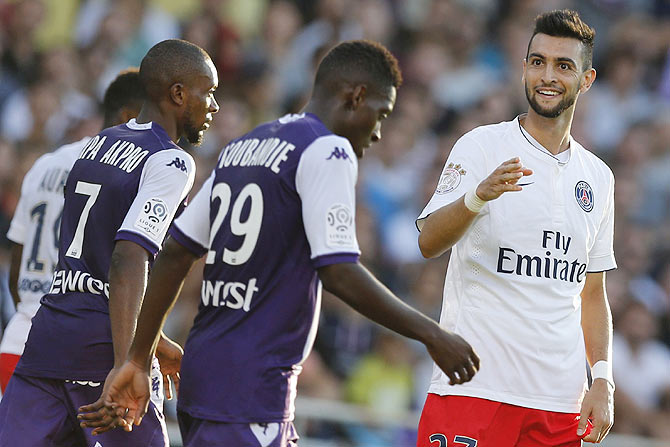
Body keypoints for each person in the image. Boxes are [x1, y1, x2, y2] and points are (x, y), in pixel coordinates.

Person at [78, 39, 480, 447]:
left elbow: (176, 253)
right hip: (254, 387)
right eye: (382, 114)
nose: (378, 133)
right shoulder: (328, 150)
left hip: (204, 377)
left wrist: (138, 355)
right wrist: (432, 334)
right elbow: (339, 271)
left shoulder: (242, 147)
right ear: (356, 97)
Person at [0, 38, 219, 446]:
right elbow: (126, 258)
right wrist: (130, 361)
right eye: (208, 93)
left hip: (48, 335)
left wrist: (157, 340)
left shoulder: (96, 144)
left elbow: (92, 260)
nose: (214, 106)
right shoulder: (171, 160)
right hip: (102, 346)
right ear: (178, 94)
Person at [414, 9, 615, 446]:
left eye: (564, 66)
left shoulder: (598, 178)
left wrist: (602, 378)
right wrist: (476, 198)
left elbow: (592, 293)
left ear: (586, 80)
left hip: (559, 402)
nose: (548, 75)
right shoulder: (482, 146)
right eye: (538, 61)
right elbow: (427, 241)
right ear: (523, 67)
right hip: (475, 389)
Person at [0, 68, 144, 395]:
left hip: (18, 339)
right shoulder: (125, 172)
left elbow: (17, 268)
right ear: (132, 116)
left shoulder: (45, 164)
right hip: (79, 351)